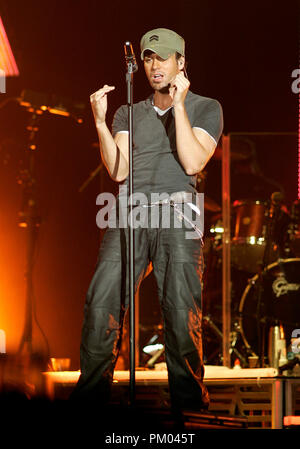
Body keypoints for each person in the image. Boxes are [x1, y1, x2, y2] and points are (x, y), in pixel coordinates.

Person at [70, 28, 223, 419]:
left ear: (181, 63)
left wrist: (181, 106)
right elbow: (119, 171)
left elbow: (192, 162)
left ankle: (189, 409)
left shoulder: (207, 107)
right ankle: (90, 402)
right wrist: (101, 123)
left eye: (164, 58)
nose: (155, 66)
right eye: (149, 58)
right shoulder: (129, 112)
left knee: (179, 311)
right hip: (129, 211)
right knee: (101, 302)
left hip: (177, 212)